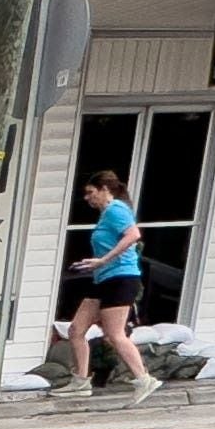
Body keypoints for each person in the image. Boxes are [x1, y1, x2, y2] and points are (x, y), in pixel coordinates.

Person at [58, 168, 159, 403]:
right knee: (76, 330)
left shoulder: (116, 209)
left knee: (114, 335)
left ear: (105, 190)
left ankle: (144, 379)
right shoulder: (106, 214)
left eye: (91, 192)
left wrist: (104, 260)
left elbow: (133, 235)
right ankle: (80, 381)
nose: (87, 198)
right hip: (103, 279)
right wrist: (94, 265)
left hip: (121, 279)